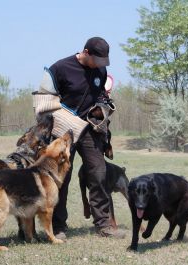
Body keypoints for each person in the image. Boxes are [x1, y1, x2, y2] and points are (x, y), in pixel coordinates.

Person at [48, 37, 126, 240]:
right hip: (65, 130)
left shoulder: (100, 70)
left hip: (90, 130)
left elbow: (100, 94)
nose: (100, 66)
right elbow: (47, 98)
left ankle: (104, 224)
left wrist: (102, 107)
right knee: (61, 178)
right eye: (97, 60)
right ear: (85, 52)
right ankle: (58, 227)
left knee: (99, 173)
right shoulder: (60, 68)